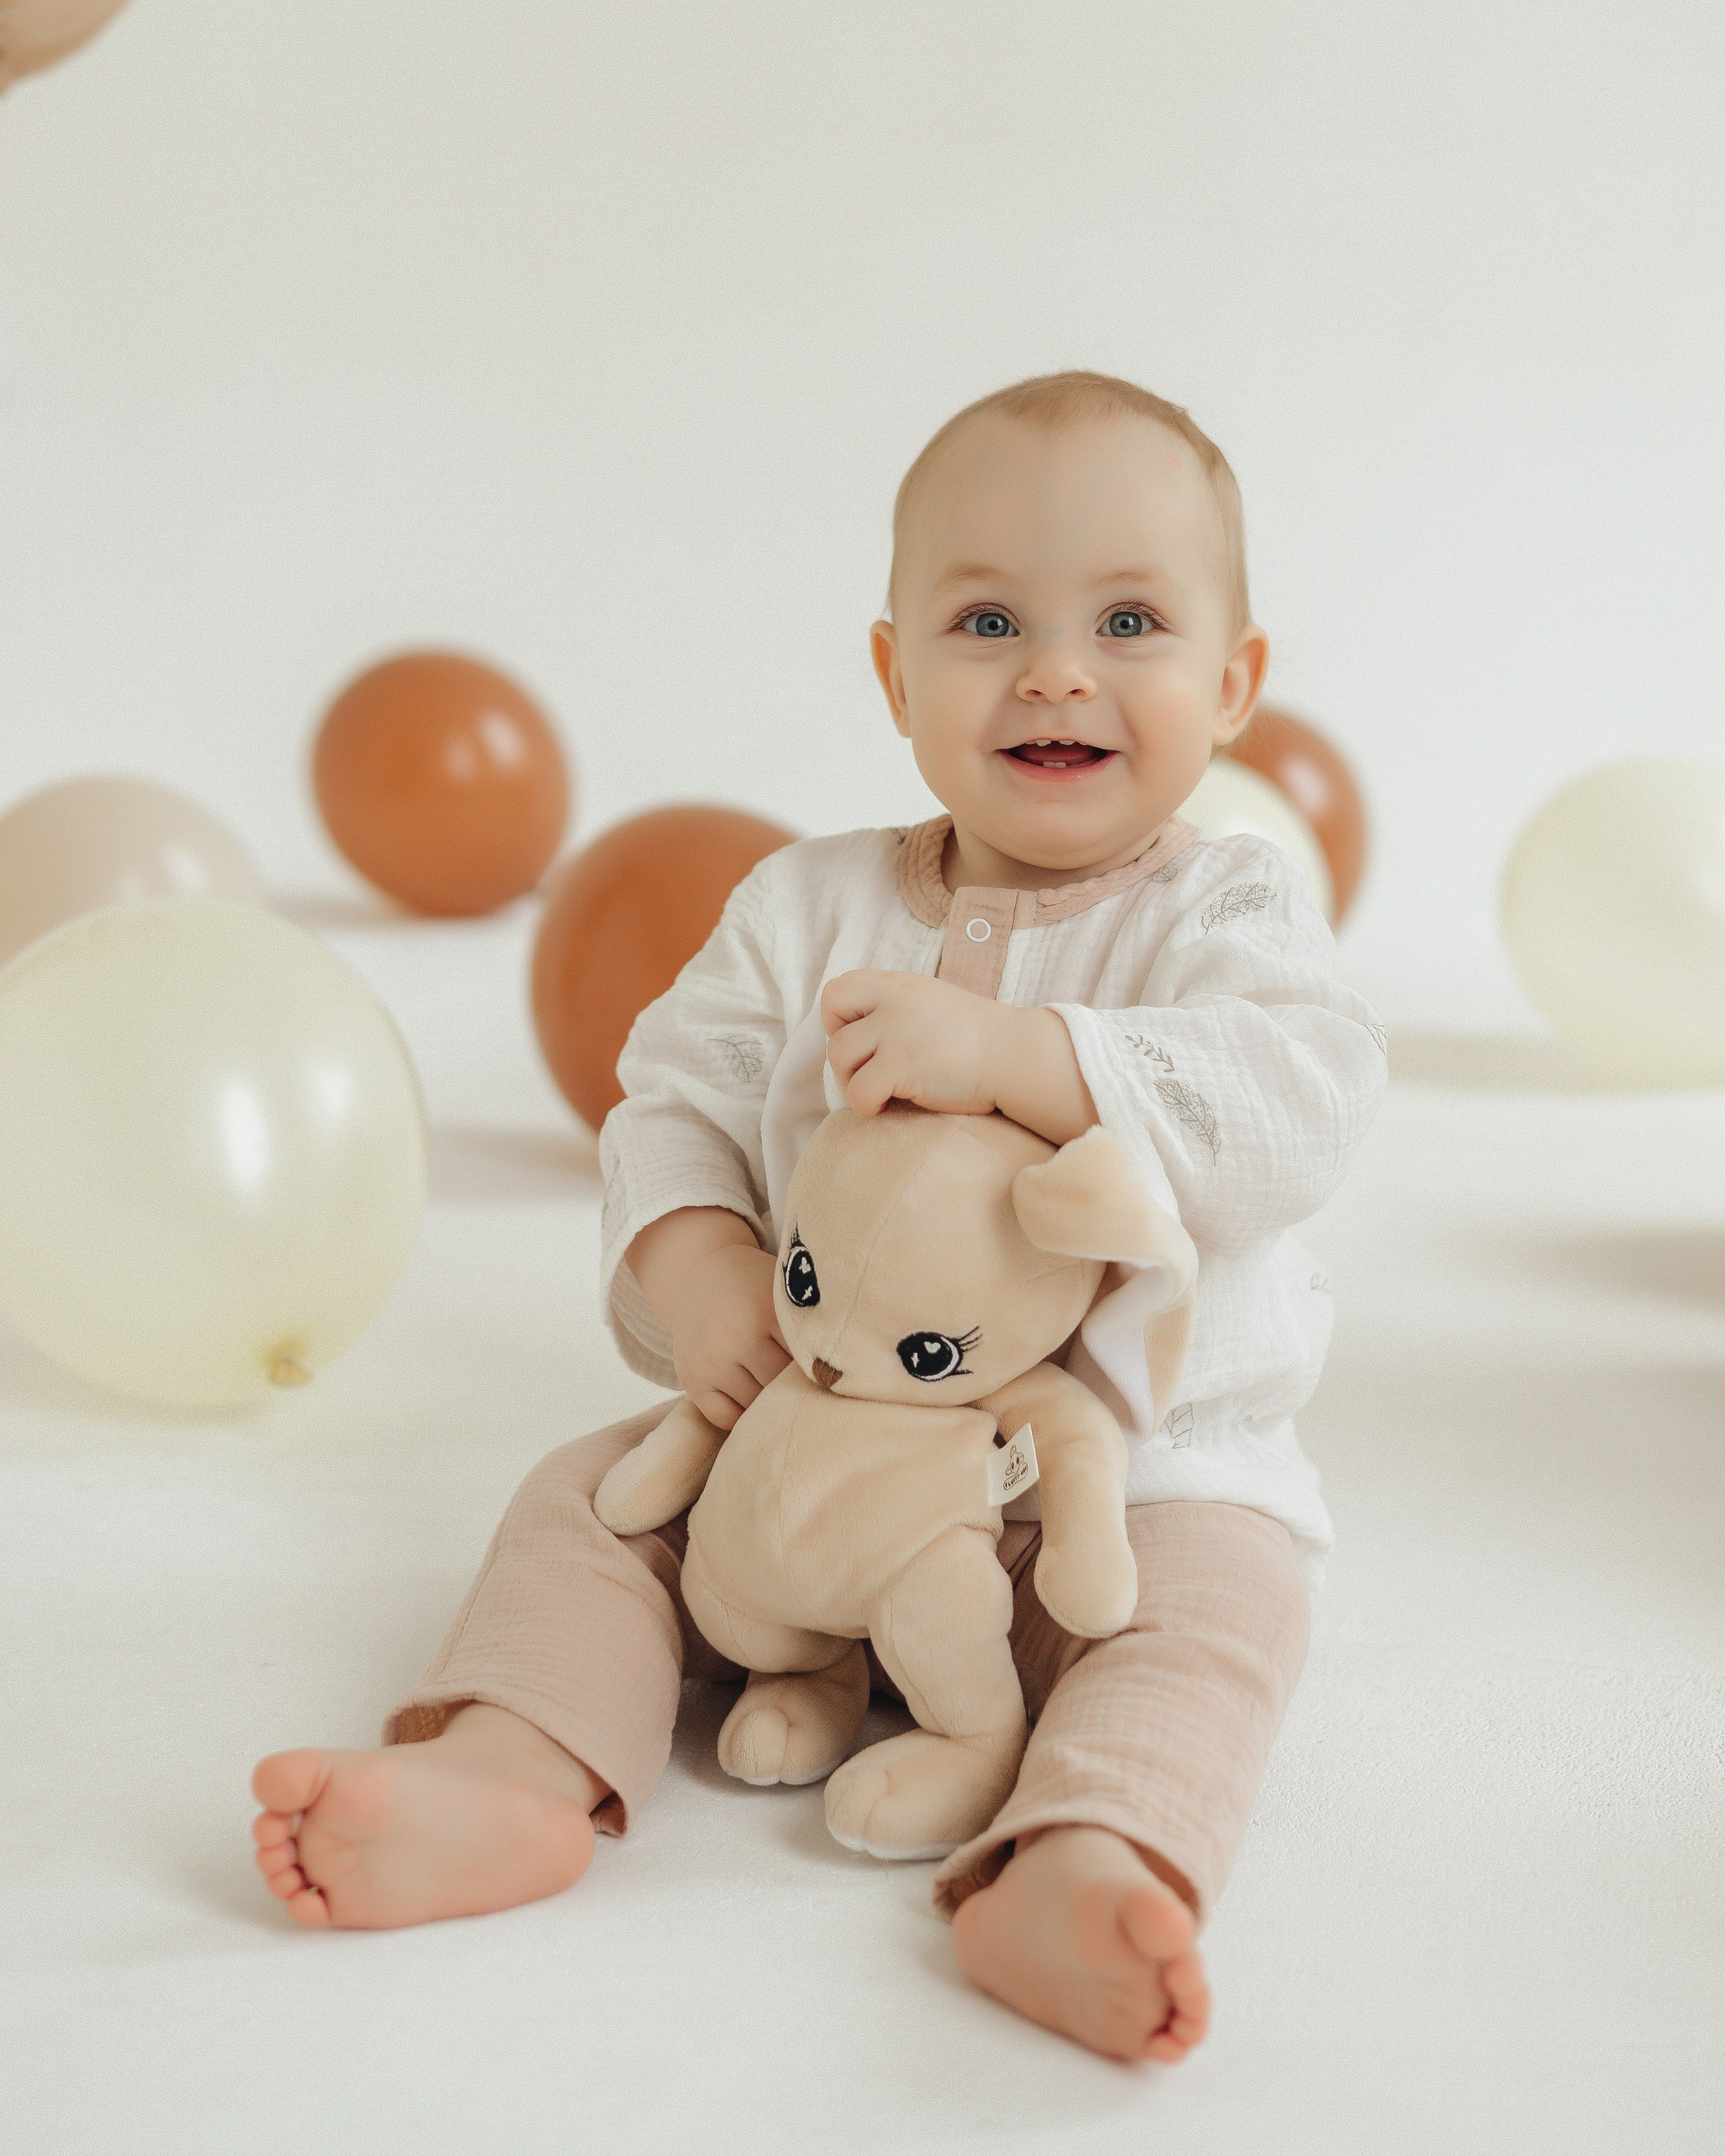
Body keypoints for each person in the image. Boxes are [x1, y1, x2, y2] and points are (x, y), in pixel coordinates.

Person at [251, 370, 1385, 2064]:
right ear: (893, 677)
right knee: (584, 1507)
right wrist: (702, 1281)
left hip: (1131, 1491)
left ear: (1230, 690)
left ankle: (1084, 1854)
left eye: (1129, 622)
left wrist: (1029, 1055)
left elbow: (1297, 1104)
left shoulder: (1226, 907)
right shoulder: (807, 904)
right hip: (813, 1462)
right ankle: (514, 1767)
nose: (1056, 671)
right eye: (986, 618)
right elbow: (673, 1110)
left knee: (1218, 1617)